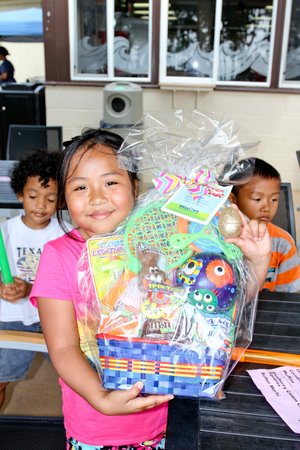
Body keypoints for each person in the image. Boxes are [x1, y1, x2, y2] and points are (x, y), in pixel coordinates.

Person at [30, 128, 271, 449]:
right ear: (64, 197)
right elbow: (62, 348)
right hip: (96, 426)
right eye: (80, 187)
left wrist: (257, 261)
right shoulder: (59, 256)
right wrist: (100, 397)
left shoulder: (161, 243)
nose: (97, 197)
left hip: (166, 416)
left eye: (111, 182)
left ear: (135, 186)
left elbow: (215, 307)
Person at [0, 150, 71, 409]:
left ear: (61, 200)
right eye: (32, 196)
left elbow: (72, 279)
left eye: (50, 198)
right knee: (1, 378)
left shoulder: (67, 233)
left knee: (79, 377)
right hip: (11, 317)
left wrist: (30, 288)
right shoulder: (5, 230)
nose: (40, 205)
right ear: (20, 194)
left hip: (54, 317)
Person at [229, 157, 300, 292]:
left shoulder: (283, 243)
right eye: (257, 199)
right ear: (233, 199)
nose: (267, 207)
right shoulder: (217, 239)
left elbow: (286, 298)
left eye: (274, 199)